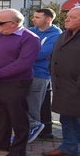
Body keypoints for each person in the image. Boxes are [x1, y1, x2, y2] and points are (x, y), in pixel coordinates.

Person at [0, 8, 40, 156]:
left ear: (13, 23)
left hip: (15, 83)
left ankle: (18, 151)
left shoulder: (30, 38)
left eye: (0, 23)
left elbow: (23, 63)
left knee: (18, 117)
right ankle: (0, 143)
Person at [42, 6, 80, 156]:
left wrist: (79, 85)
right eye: (68, 16)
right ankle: (68, 149)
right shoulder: (65, 35)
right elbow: (55, 58)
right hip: (64, 90)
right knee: (67, 123)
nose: (67, 19)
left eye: (73, 17)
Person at [26, 8, 62, 143]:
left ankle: (32, 131)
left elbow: (41, 54)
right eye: (33, 16)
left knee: (32, 105)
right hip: (23, 72)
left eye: (37, 17)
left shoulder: (56, 34)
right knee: (16, 102)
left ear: (48, 19)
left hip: (40, 74)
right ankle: (28, 129)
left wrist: (23, 54)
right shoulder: (32, 30)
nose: (33, 19)